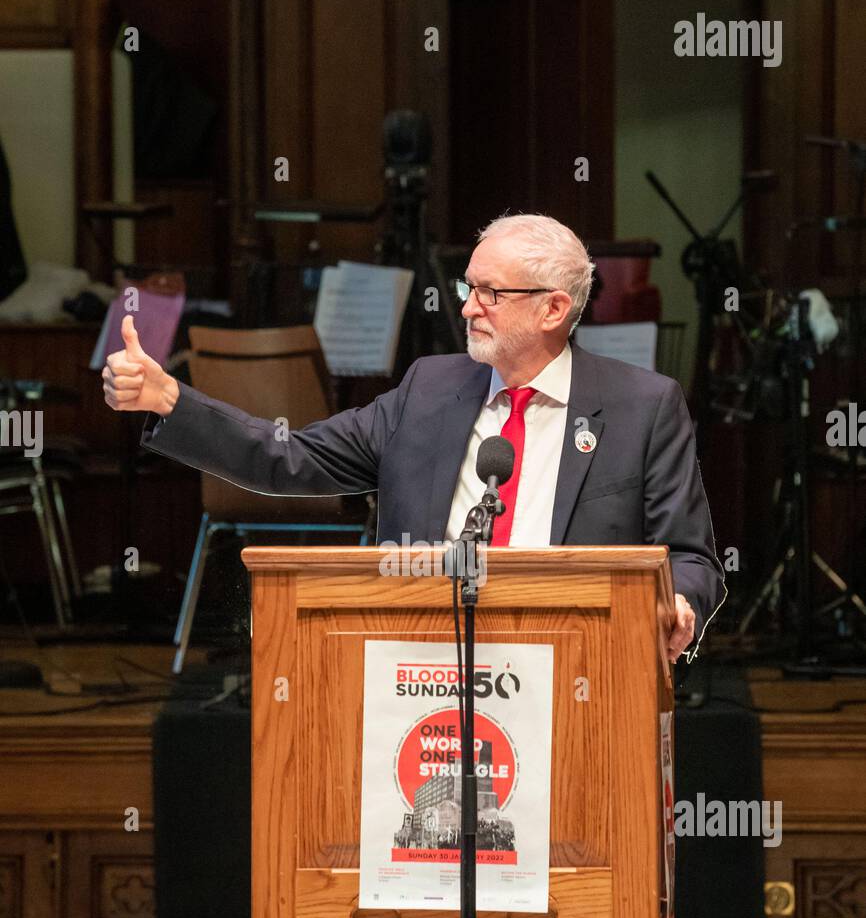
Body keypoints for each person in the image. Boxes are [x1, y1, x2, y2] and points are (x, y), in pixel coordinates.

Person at [103, 212, 725, 661]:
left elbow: (693, 559)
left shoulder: (643, 407)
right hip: (423, 671)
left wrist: (683, 608)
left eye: (491, 293)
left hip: (581, 669)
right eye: (468, 287)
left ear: (553, 310)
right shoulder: (427, 391)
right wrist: (171, 400)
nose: (468, 307)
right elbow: (289, 458)